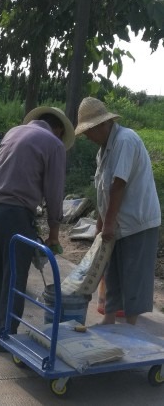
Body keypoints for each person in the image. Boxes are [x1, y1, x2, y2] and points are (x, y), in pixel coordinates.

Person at [0, 106, 75, 352]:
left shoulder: (13, 132)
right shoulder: (53, 144)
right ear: (59, 130)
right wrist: (54, 231)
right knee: (14, 275)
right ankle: (4, 333)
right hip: (14, 214)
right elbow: (54, 192)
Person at [75, 97, 161, 325]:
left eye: (88, 131)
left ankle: (131, 327)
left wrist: (109, 223)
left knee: (133, 276)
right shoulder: (102, 151)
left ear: (101, 125)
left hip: (137, 221)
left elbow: (118, 185)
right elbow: (103, 191)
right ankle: (109, 321)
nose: (86, 137)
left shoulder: (125, 140)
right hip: (117, 221)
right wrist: (101, 224)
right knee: (112, 272)